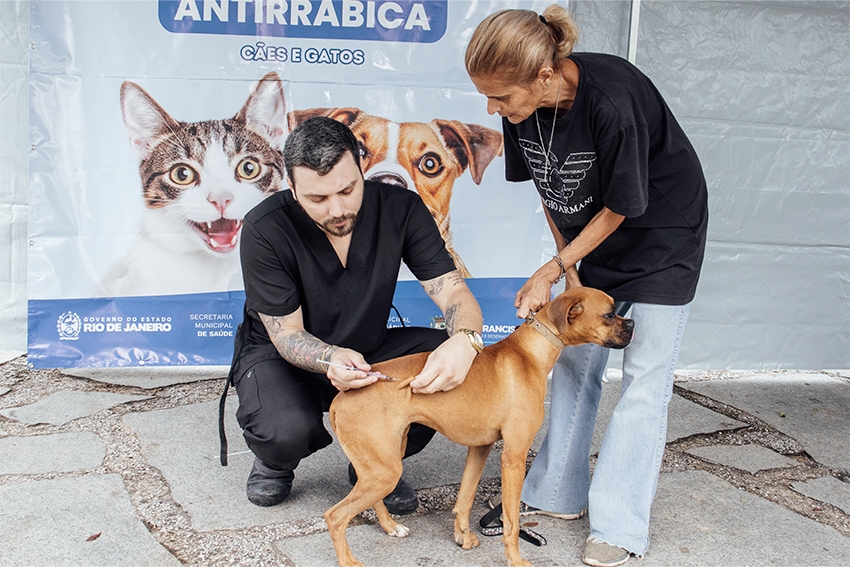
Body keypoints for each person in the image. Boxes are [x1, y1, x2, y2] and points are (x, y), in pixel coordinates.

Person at [465, 5, 708, 567]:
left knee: (645, 379)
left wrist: (551, 271)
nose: (492, 109)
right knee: (574, 361)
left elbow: (622, 206)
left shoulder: (612, 102)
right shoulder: (522, 106)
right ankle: (555, 493)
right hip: (588, 239)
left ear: (544, 75)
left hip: (662, 237)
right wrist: (568, 265)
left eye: (500, 97)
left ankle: (619, 525)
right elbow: (549, 189)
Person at [223, 116, 484, 514]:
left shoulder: (401, 208)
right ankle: (274, 461)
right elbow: (287, 333)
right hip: (283, 357)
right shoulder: (265, 227)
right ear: (291, 186)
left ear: (362, 169)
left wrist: (465, 341)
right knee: (284, 430)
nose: (338, 209)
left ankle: (375, 462)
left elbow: (452, 290)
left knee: (446, 366)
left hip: (366, 347)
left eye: (348, 190)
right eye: (318, 198)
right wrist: (330, 357)